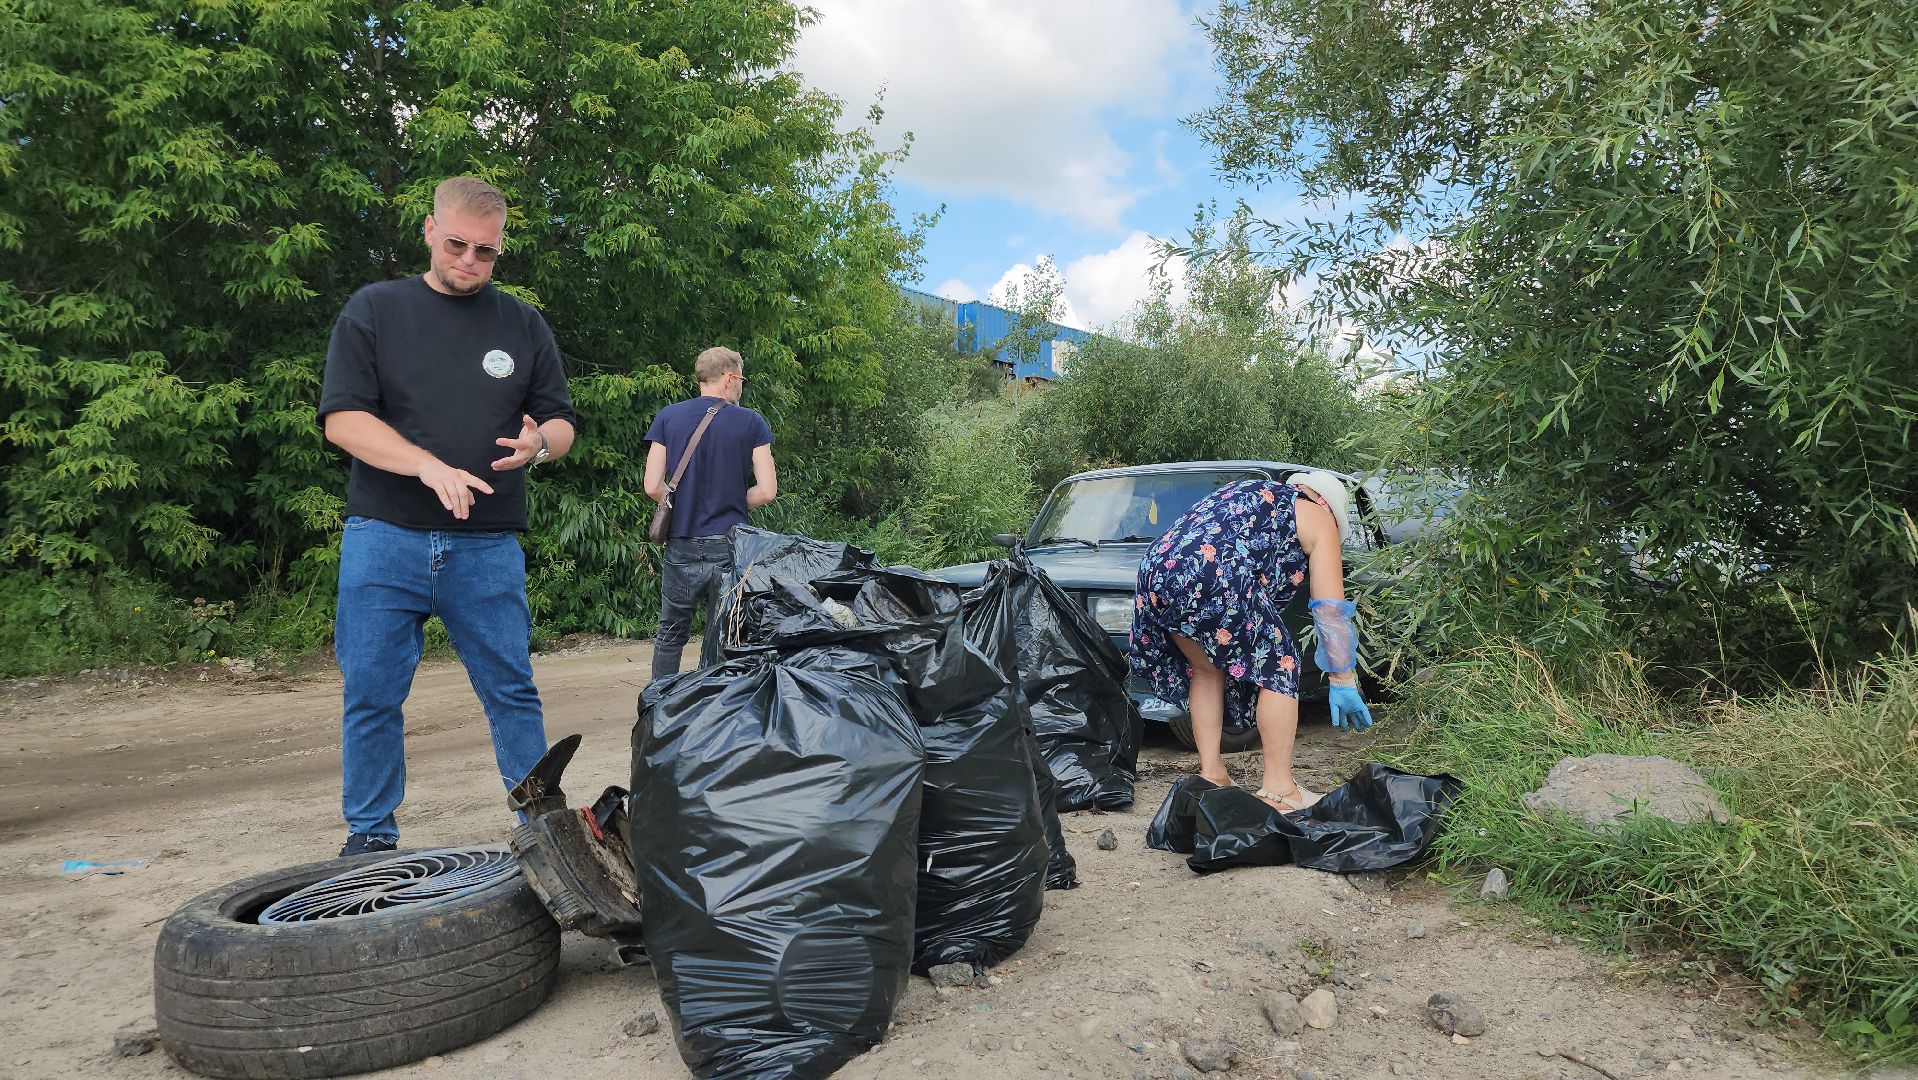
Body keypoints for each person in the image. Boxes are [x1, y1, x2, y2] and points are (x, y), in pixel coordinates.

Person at [318, 176, 578, 857]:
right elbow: (344, 421)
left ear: (500, 252)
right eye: (457, 244)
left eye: (485, 252)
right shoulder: (374, 310)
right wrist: (425, 466)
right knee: (371, 693)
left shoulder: (521, 323)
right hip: (385, 538)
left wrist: (540, 444)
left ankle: (543, 833)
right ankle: (371, 838)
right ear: (430, 231)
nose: (468, 261)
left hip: (487, 547)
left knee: (512, 692)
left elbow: (561, 420)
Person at [1129, 471, 1374, 812]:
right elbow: (1330, 610)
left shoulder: (1247, 490)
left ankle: (1212, 775)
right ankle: (1280, 789)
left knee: (1204, 669)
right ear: (1328, 505)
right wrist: (1342, 679)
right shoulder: (1320, 516)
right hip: (1213, 570)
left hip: (1159, 566)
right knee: (1281, 663)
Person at [643, 347, 777, 679]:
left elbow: (651, 485)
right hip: (729, 545)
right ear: (730, 378)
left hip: (681, 544)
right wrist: (728, 499)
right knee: (724, 635)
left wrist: (685, 501)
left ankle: (659, 711)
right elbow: (767, 490)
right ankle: (715, 713)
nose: (742, 387)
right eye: (741, 380)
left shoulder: (668, 417)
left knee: (671, 634)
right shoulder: (751, 422)